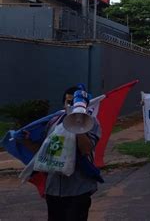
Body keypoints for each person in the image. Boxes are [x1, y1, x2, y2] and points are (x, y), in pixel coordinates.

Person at [18, 86, 101, 221]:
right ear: (63, 103)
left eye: (74, 103)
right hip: (53, 188)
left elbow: (86, 149)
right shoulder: (53, 121)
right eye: (68, 102)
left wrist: (78, 124)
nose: (71, 106)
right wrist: (26, 141)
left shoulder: (91, 122)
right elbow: (43, 152)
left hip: (78, 189)